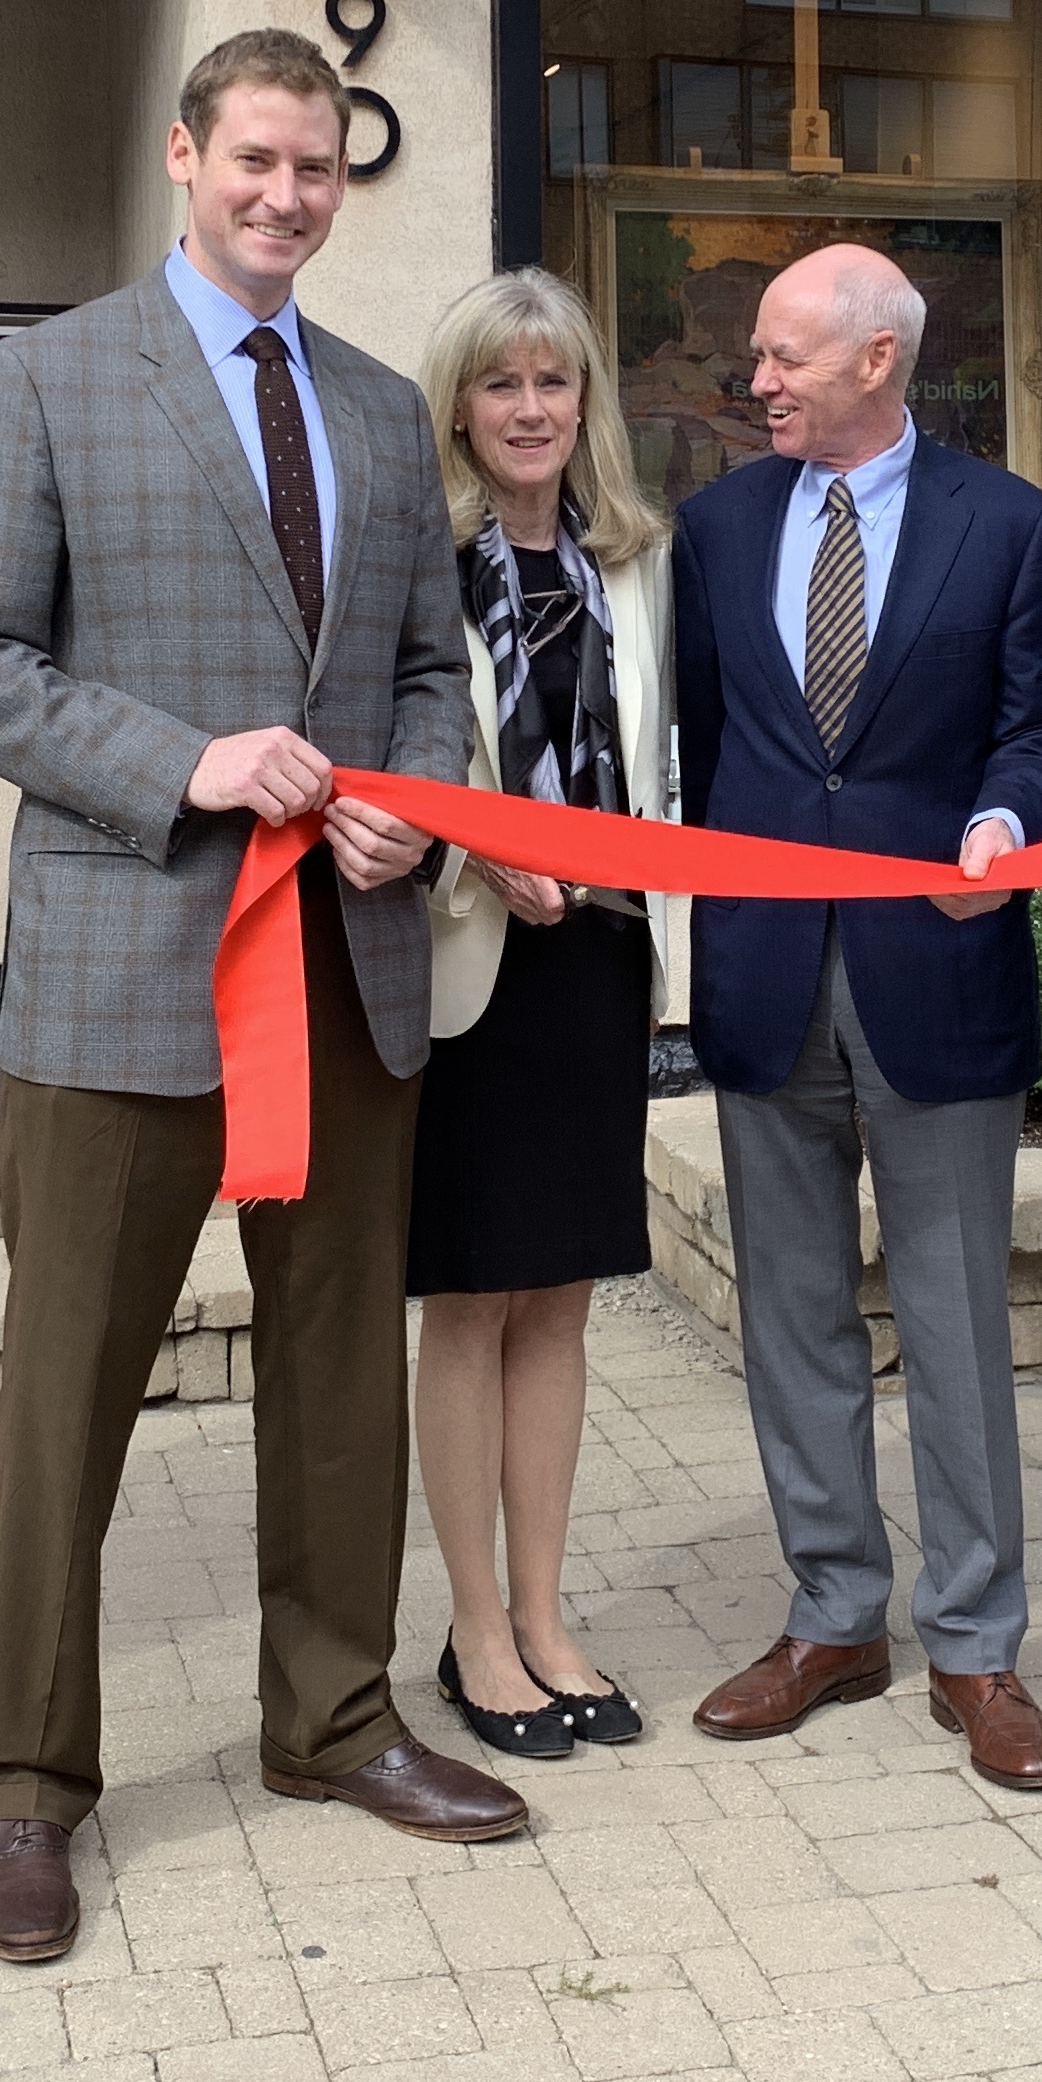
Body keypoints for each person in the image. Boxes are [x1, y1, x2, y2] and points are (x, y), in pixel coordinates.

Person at [0, 29, 522, 1969]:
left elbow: (432, 673)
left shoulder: (371, 407)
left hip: (347, 978)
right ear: (185, 157)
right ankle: (22, 1788)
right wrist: (183, 763)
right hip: (123, 983)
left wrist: (406, 814)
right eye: (254, 160)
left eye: (316, 170)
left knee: (340, 1384)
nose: (286, 196)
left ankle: (335, 1720)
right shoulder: (50, 379)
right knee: (64, 1397)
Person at [673, 245, 1042, 1794]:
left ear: (875, 362)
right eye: (756, 359)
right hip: (767, 977)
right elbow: (709, 746)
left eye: (781, 358)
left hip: (939, 971)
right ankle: (834, 1615)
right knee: (789, 1318)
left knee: (959, 1322)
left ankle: (976, 1643)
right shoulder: (715, 526)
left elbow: (1034, 724)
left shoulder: (1012, 525)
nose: (754, 380)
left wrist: (1006, 822)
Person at [407, 270, 679, 1763]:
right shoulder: (419, 554)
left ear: (587, 406)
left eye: (554, 384)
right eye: (503, 385)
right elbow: (379, 748)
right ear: (462, 402)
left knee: (565, 1298)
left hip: (597, 967)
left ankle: (546, 1609)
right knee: (473, 1300)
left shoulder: (630, 559)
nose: (530, 410)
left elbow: (660, 758)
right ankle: (470, 1629)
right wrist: (476, 844)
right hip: (469, 965)